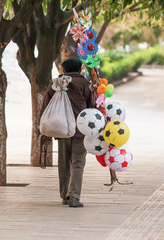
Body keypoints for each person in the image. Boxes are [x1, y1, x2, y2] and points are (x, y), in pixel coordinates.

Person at [40, 58, 97, 208]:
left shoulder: (56, 84)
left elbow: (46, 106)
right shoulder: (85, 84)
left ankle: (65, 195)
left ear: (63, 70)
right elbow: (92, 107)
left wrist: (42, 128)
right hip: (81, 130)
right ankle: (74, 197)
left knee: (63, 164)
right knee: (78, 164)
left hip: (62, 130)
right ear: (80, 70)